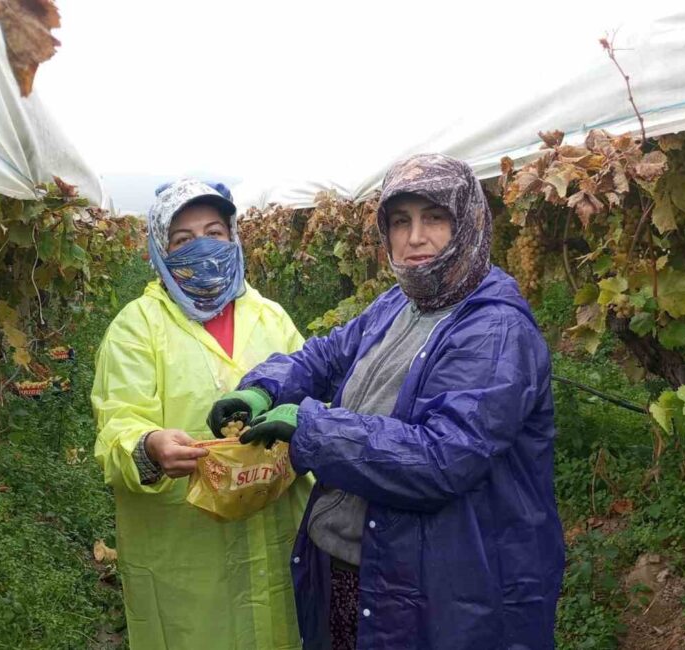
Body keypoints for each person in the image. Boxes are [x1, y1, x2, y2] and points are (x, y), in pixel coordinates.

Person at [208, 154, 565, 649]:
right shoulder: (401, 302)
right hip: (361, 566)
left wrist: (311, 427)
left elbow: (441, 458)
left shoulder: (495, 330)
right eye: (401, 221)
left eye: (434, 218)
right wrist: (264, 387)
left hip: (439, 587)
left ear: (469, 223)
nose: (414, 237)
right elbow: (328, 355)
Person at [92, 179, 311, 650]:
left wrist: (300, 417)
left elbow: (316, 391)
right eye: (183, 240)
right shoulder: (136, 327)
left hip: (275, 532)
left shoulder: (272, 317)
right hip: (185, 551)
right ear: (159, 250)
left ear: (234, 237)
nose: (203, 249)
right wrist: (148, 447)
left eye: (215, 233)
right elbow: (118, 424)